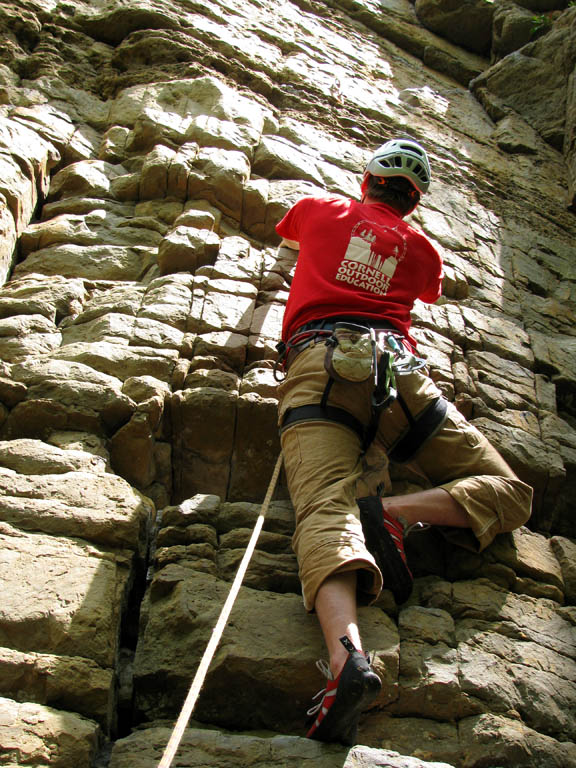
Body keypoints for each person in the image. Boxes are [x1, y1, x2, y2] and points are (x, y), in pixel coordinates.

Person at [274, 138, 533, 746]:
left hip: (322, 366)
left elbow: (288, 239)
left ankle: (347, 663)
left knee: (323, 511)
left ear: (368, 179)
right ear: (413, 201)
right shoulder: (420, 249)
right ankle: (393, 514)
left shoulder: (319, 209)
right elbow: (427, 291)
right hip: (405, 383)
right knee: (510, 490)